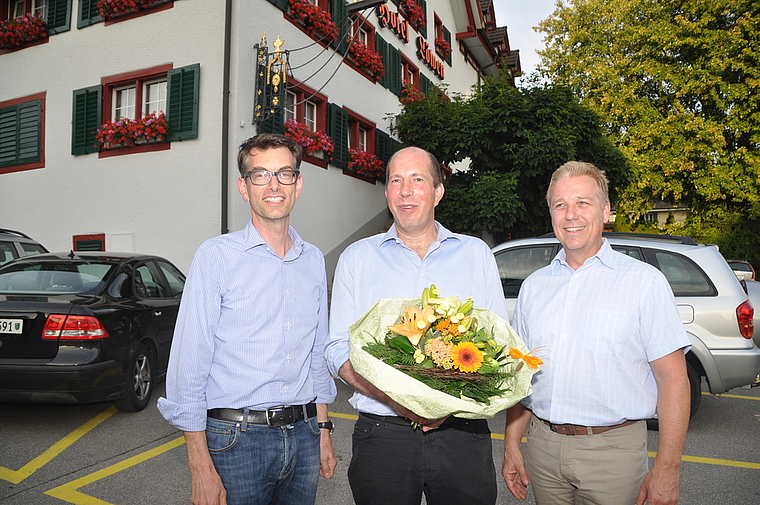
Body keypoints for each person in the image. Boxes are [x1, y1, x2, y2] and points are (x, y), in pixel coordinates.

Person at [157, 133, 337, 505]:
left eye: (284, 173)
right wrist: (199, 466)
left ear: (298, 184)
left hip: (304, 436)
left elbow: (317, 354)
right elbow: (189, 365)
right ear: (244, 187)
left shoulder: (313, 260)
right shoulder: (215, 257)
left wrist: (323, 431)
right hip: (236, 441)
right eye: (260, 175)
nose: (273, 185)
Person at [325, 146, 509, 505]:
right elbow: (337, 349)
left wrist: (452, 397)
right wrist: (399, 401)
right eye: (396, 180)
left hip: (461, 435)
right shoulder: (356, 259)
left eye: (417, 179)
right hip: (383, 436)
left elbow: (497, 343)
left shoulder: (476, 254)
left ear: (438, 192)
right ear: (387, 192)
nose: (405, 190)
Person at [502, 161, 691, 505]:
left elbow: (674, 380)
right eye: (560, 205)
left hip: (613, 453)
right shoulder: (533, 287)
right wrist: (512, 442)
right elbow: (522, 375)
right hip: (543, 448)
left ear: (606, 212)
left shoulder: (643, 283)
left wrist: (667, 468)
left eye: (583, 203)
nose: (571, 214)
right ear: (551, 214)